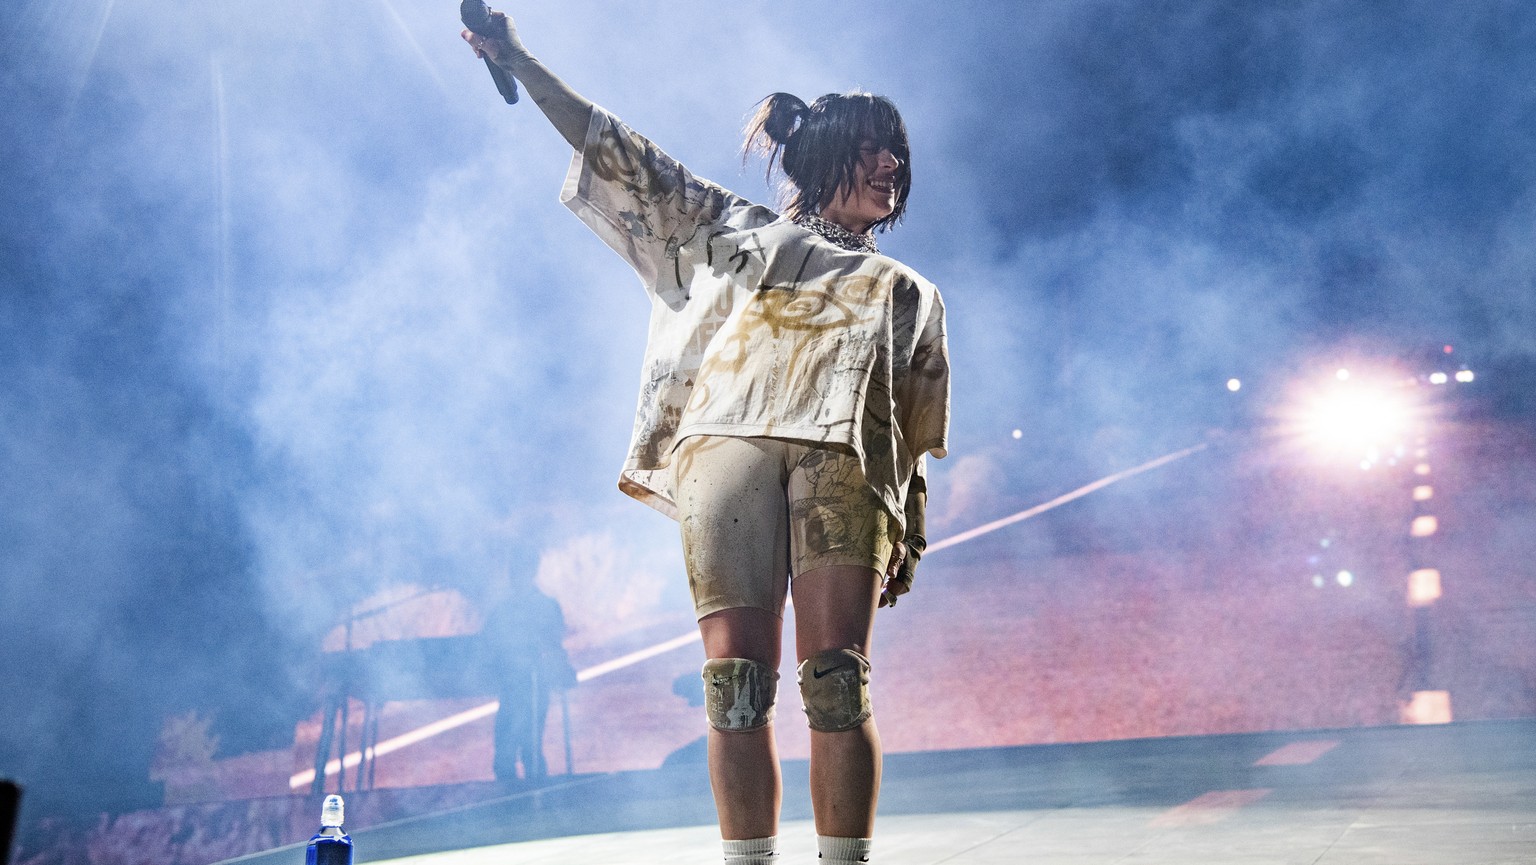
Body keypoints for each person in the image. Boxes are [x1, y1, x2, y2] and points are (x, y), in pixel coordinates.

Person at [464, 11, 949, 864]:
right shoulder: (725, 231)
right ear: (826, 152)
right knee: (735, 686)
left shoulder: (909, 292)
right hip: (727, 442)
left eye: (897, 154)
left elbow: (908, 435)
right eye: (874, 146)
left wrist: (908, 526)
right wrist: (517, 58)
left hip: (845, 461)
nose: (892, 164)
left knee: (837, 679)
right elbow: (614, 145)